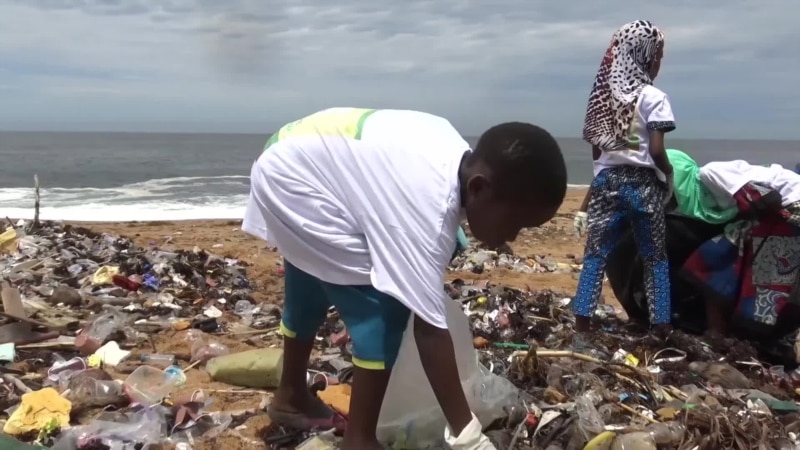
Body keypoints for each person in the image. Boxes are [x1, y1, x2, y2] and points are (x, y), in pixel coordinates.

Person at [242, 107, 567, 450]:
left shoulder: (455, 156)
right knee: (387, 302)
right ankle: (360, 439)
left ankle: (292, 394)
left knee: (311, 267)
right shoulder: (427, 210)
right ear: (479, 187)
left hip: (291, 152)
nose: (511, 237)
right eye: (515, 223)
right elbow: (429, 332)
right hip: (293, 179)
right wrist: (468, 436)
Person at [572, 20, 675, 335]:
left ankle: (582, 322)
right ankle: (661, 326)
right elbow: (656, 150)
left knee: (595, 254)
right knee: (654, 256)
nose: (659, 62)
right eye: (656, 55)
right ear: (641, 55)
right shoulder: (653, 98)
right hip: (643, 184)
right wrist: (668, 174)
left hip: (606, 183)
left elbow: (596, 155)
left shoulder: (602, 99)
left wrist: (586, 205)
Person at [680, 159, 800, 339]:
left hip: (785, 216)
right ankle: (739, 334)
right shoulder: (772, 176)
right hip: (779, 215)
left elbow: (764, 200)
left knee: (717, 263)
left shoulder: (710, 173)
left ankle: (725, 333)